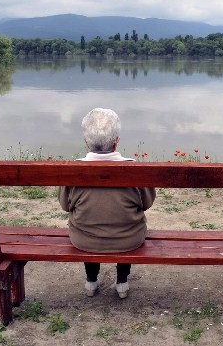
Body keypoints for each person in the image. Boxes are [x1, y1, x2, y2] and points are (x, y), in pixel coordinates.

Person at [59, 108, 156, 299]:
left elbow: (65, 205)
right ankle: (122, 283)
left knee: (88, 223)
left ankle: (91, 281)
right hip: (129, 239)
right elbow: (147, 202)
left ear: (86, 142)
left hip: (84, 239)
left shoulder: (72, 170)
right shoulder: (135, 169)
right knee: (125, 222)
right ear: (117, 141)